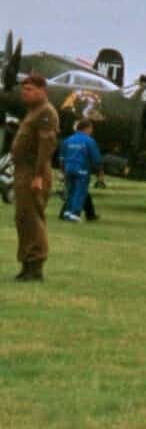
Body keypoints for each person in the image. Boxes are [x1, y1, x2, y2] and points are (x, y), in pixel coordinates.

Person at [11, 73, 59, 282]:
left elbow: (46, 145)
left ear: (42, 90)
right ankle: (26, 264)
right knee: (23, 217)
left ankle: (35, 266)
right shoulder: (33, 112)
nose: (25, 93)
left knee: (32, 218)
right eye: (23, 90)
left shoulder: (46, 112)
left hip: (34, 171)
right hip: (23, 171)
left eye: (29, 89)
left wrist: (38, 175)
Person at [59, 119, 104, 222]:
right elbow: (96, 159)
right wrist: (100, 173)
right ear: (87, 128)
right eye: (91, 128)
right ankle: (75, 214)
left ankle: (67, 212)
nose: (92, 131)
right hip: (82, 169)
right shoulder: (89, 141)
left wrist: (62, 172)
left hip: (68, 169)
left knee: (70, 191)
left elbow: (61, 158)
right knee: (80, 192)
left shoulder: (68, 140)